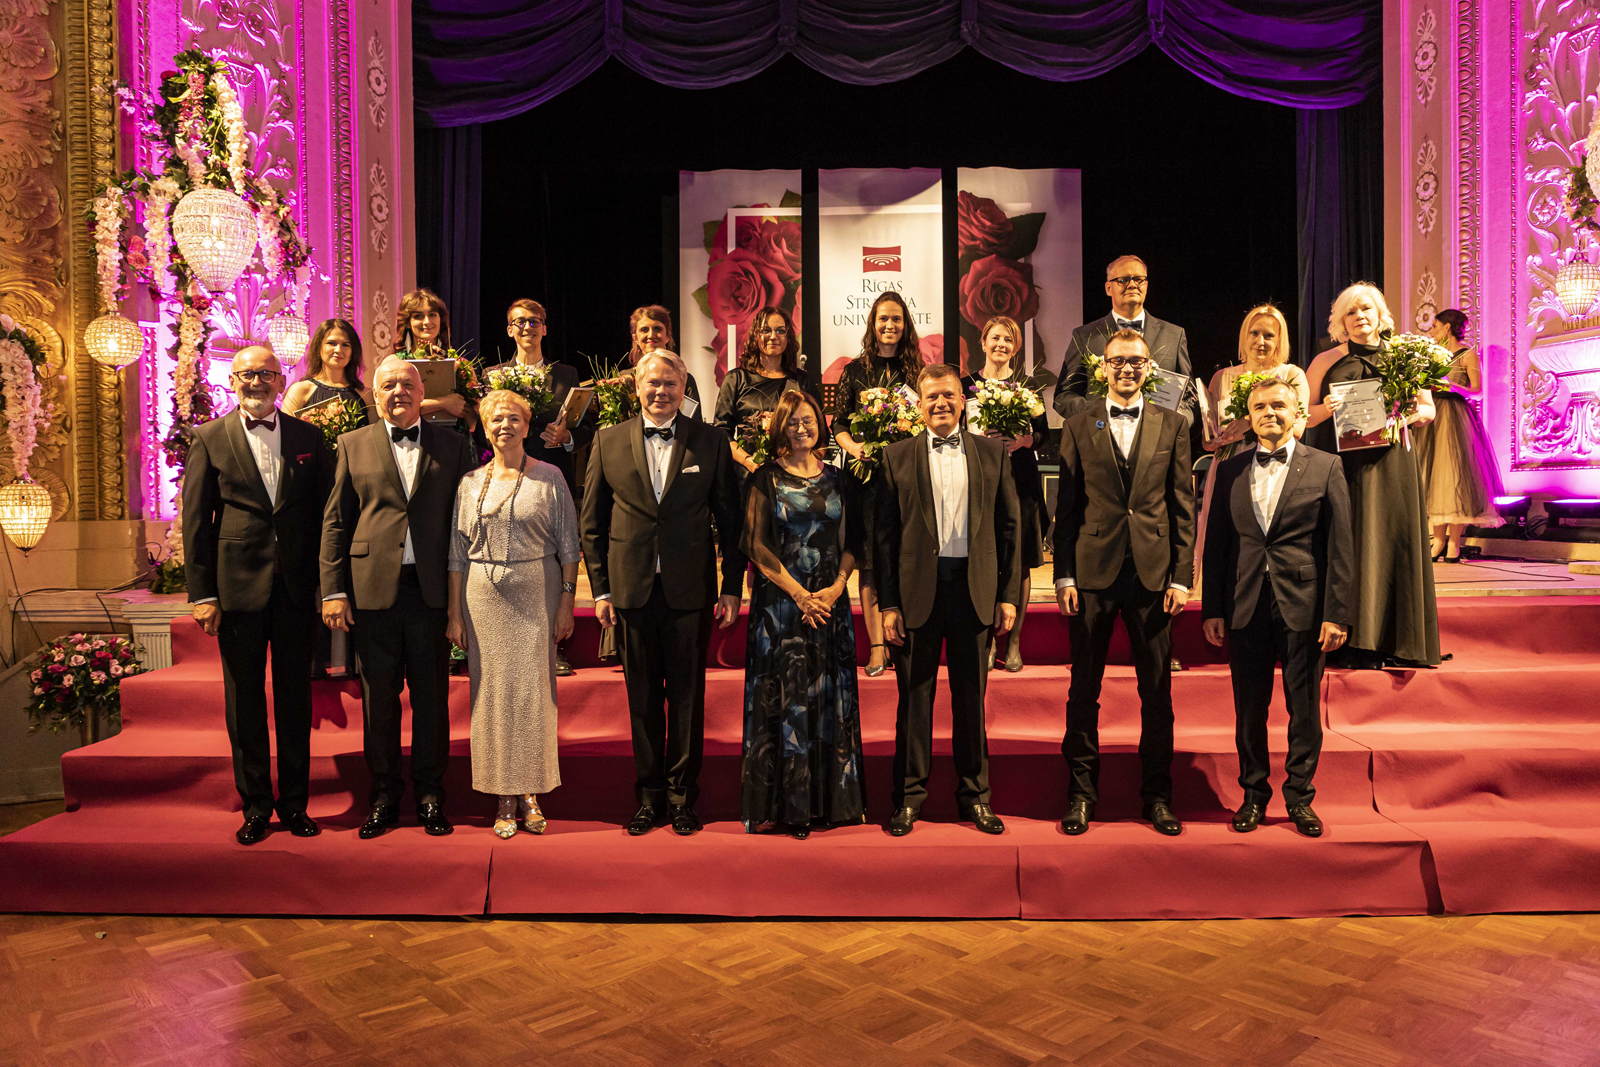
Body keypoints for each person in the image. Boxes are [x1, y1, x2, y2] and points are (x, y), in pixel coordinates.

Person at [580, 348, 744, 836]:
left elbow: (731, 521)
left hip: (690, 590)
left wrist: (732, 587)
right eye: (652, 383)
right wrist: (601, 590)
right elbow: (592, 524)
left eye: (670, 384)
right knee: (643, 699)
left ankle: (682, 798)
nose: (661, 391)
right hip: (630, 592)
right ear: (637, 387)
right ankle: (649, 797)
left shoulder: (711, 441)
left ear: (684, 389)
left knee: (689, 699)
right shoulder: (607, 441)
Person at [320, 355, 479, 838]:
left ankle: (430, 796)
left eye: (406, 384)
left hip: (432, 592)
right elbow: (336, 522)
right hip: (371, 592)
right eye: (388, 385)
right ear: (375, 394)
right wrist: (333, 590)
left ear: (421, 391)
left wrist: (467, 595)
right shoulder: (351, 444)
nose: (398, 392)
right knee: (379, 703)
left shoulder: (454, 446)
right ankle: (384, 797)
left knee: (431, 700)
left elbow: (468, 522)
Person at [182, 346, 331, 844]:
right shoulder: (208, 438)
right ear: (232, 380)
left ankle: (295, 805)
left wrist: (327, 584)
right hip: (236, 591)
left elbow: (326, 517)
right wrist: (203, 593)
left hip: (296, 590)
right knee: (244, 702)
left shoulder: (309, 437)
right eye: (248, 374)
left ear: (281, 380)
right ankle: (256, 806)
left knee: (295, 701)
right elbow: (195, 523)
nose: (258, 382)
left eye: (267, 374)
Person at [1054, 328, 1195, 837]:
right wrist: (1064, 573)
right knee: (1083, 691)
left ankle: (1157, 797)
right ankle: (1081, 796)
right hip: (1092, 572)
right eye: (1118, 361)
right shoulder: (1077, 424)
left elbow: (1182, 506)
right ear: (1103, 367)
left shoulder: (1174, 424)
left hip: (1154, 576)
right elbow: (1067, 508)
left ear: (1148, 368)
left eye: (1136, 361)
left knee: (1156, 694)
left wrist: (1182, 577)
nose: (1127, 369)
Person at [1202, 376, 1355, 838]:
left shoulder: (1326, 466)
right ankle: (1253, 796)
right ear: (1249, 417)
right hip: (1245, 603)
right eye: (1260, 407)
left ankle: (1299, 798)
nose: (1269, 413)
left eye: (1278, 406)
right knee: (1249, 710)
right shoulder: (1230, 469)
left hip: (1304, 605)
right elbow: (1218, 544)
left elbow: (1341, 546)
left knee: (1303, 710)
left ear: (1297, 414)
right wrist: (1212, 608)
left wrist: (1337, 612)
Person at [876, 363, 1021, 837]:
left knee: (970, 701)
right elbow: (884, 539)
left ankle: (976, 796)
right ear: (919, 406)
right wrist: (888, 604)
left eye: (948, 395)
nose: (941, 403)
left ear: (963, 401)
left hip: (973, 591)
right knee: (914, 702)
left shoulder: (992, 453)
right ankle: (908, 799)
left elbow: (1010, 529)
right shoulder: (895, 456)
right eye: (931, 397)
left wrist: (1007, 595)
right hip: (916, 594)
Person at [446, 390, 580, 839]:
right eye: (496, 419)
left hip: (537, 596)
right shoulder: (468, 483)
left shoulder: (550, 477)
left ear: (526, 425)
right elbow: (456, 554)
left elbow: (569, 548)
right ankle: (502, 794)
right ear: (485, 429)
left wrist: (566, 602)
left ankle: (530, 792)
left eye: (513, 418)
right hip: (481, 601)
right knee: (490, 696)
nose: (505, 425)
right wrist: (454, 613)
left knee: (532, 695)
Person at [740, 389, 866, 838]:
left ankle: (830, 805)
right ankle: (789, 808)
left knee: (828, 701)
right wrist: (799, 594)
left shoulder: (839, 478)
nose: (801, 428)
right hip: (781, 609)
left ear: (820, 425)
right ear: (780, 427)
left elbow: (852, 541)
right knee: (787, 701)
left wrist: (835, 589)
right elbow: (756, 545)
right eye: (792, 421)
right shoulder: (765, 478)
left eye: (808, 420)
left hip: (829, 606)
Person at [1305, 284, 1441, 669]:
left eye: (1366, 308)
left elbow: (1428, 409)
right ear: (1341, 321)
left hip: (1393, 462)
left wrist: (1403, 418)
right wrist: (1326, 408)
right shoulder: (1325, 361)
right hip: (1344, 465)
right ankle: (1353, 641)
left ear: (1380, 314)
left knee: (1392, 539)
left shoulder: (1404, 356)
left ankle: (1398, 640)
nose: (1359, 316)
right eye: (1350, 312)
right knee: (1351, 540)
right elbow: (1304, 416)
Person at [483, 299, 593, 676]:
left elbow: (585, 428)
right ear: (509, 330)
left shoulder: (566, 374)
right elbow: (482, 428)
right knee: (507, 560)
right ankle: (507, 646)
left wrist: (566, 437)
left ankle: (552, 646)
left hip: (551, 478)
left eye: (534, 321)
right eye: (519, 322)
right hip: (504, 479)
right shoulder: (492, 376)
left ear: (545, 328)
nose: (527, 327)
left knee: (552, 561)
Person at [832, 291, 923, 678]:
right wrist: (856, 447)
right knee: (868, 561)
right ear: (873, 324)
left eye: (896, 319)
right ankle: (876, 647)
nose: (890, 325)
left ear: (906, 325)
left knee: (905, 556)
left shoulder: (918, 371)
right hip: (865, 479)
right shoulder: (854, 371)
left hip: (907, 479)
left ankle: (908, 636)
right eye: (883, 319)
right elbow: (838, 424)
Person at [1197, 305, 1310, 589]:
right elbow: (1210, 433)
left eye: (1269, 335)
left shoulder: (1292, 374)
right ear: (1244, 337)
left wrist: (1249, 421)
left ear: (1279, 340)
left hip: (1274, 467)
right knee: (1223, 537)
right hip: (1228, 468)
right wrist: (1210, 439)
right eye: (1255, 333)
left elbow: (1298, 428)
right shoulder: (1222, 377)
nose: (1261, 341)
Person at [960, 315, 1049, 672]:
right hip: (977, 483)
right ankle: (986, 641)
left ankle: (1013, 643)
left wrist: (1025, 440)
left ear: (1015, 348)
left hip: (1020, 481)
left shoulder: (1027, 386)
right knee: (983, 560)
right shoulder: (965, 386)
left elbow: (1043, 434)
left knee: (1020, 559)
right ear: (982, 342)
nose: (1001, 345)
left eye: (1008, 340)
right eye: (995, 338)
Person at [284, 318, 370, 680]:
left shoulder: (365, 394)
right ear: (319, 347)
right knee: (316, 568)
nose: (338, 350)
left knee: (352, 567)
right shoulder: (302, 390)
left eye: (346, 344)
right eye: (332, 343)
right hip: (313, 491)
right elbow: (286, 440)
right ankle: (315, 662)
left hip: (354, 491)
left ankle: (354, 661)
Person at [1055, 255, 1196, 429]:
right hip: (1101, 435)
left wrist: (1176, 424)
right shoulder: (1085, 336)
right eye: (1123, 280)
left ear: (1146, 285)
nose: (1132, 285)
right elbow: (1063, 396)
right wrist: (1099, 413)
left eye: (1139, 279)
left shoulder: (1174, 335)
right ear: (1108, 288)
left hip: (1159, 437)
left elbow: (1190, 398)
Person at [1416, 309, 1503, 561]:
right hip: (1432, 418)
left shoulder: (1467, 354)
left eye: (1435, 326)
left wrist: (1450, 385)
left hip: (1455, 418)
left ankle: (1454, 542)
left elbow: (1478, 392)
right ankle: (1438, 541)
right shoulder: (1431, 356)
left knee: (1455, 475)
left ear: (1447, 328)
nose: (1432, 331)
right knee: (1433, 477)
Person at [715, 306, 812, 480]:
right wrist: (748, 461)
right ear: (755, 335)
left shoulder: (802, 381)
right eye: (766, 330)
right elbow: (722, 433)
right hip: (748, 475)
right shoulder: (736, 379)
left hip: (795, 476)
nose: (773, 336)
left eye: (780, 331)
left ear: (788, 337)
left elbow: (819, 431)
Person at [395, 287, 476, 432]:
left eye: (432, 315)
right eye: (418, 316)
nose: (427, 322)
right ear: (407, 322)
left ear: (441, 319)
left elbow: (474, 422)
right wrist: (443, 403)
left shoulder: (461, 364)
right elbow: (385, 410)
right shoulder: (395, 363)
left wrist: (465, 408)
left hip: (454, 439)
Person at [623, 305, 702, 417]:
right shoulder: (623, 380)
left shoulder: (685, 379)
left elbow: (695, 424)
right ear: (635, 338)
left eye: (657, 329)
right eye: (644, 330)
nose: (651, 335)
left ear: (667, 336)